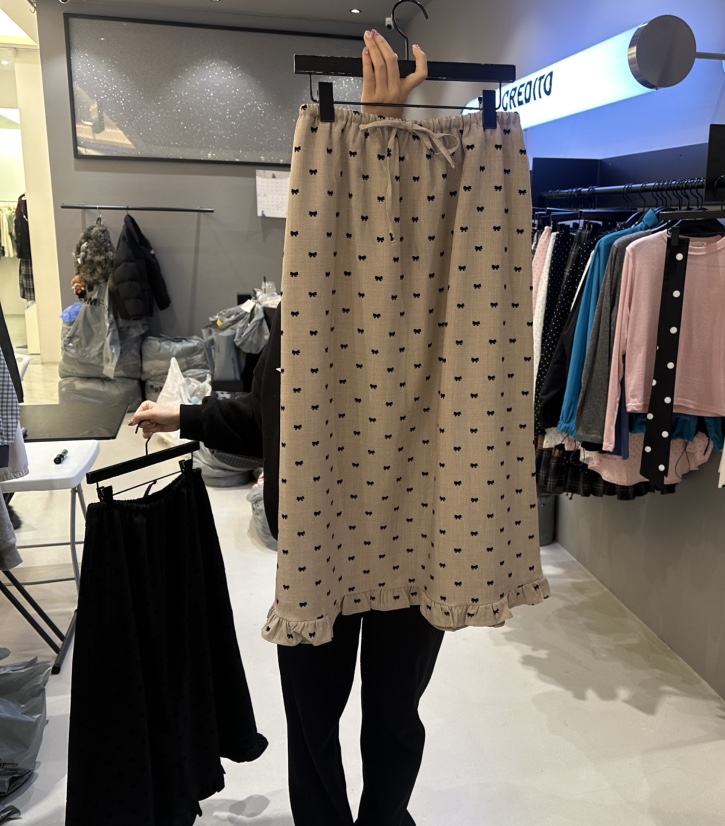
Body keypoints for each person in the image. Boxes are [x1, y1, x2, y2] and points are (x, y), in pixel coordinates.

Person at [130, 31, 440, 826]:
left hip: (407, 532)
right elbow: (270, 414)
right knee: (313, 713)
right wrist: (181, 413)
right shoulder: (297, 328)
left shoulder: (420, 319)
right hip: (318, 534)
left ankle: (384, 822)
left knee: (392, 712)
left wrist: (382, 130)